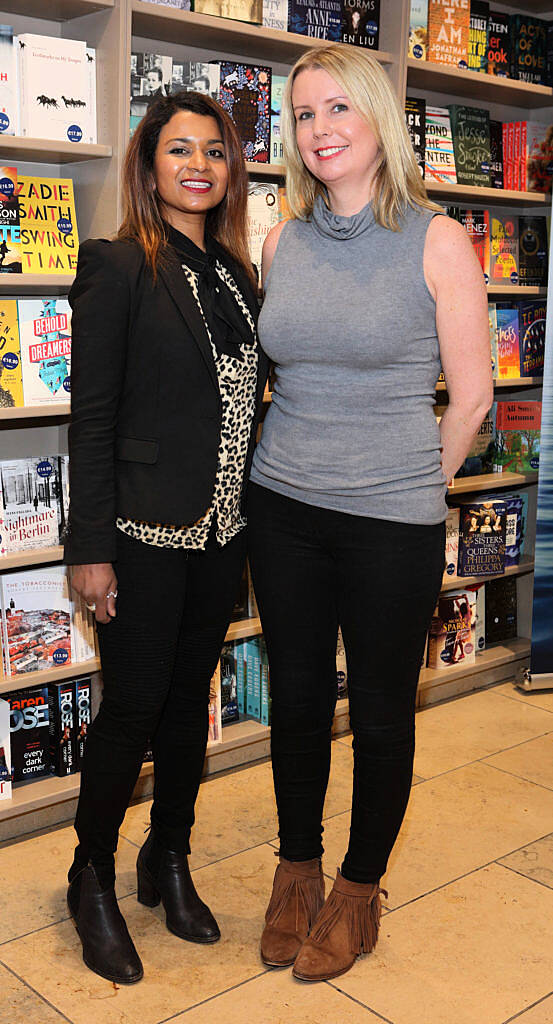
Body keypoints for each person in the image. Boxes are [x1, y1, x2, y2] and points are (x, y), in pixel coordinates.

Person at [247, 44, 493, 983]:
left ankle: (358, 891)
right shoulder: (283, 240)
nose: (319, 131)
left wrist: (408, 487)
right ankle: (295, 871)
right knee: (299, 701)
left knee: (383, 712)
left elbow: (470, 397)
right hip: (282, 508)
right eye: (303, 115)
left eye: (337, 109)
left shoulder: (434, 238)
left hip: (391, 519)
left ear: (376, 120)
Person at [65, 90, 268, 985]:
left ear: (232, 170)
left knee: (190, 709)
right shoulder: (116, 264)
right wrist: (89, 548)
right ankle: (91, 877)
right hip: (142, 536)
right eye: (178, 149)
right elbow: (93, 418)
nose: (198, 165)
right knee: (133, 710)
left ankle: (168, 859)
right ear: (149, 165)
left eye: (214, 151)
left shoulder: (236, 275)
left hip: (222, 534)